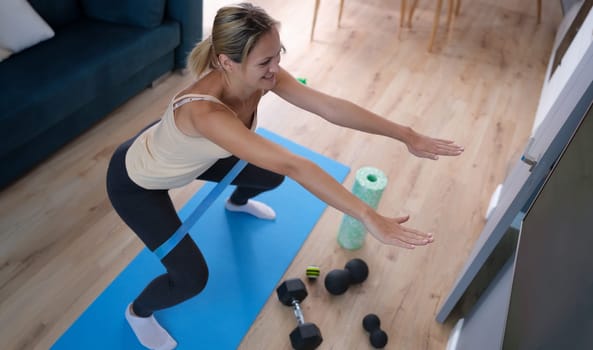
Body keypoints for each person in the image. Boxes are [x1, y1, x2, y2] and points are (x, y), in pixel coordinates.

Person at [106, 2, 464, 349]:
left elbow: (329, 107)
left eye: (279, 55)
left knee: (268, 177)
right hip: (138, 184)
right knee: (191, 278)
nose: (276, 69)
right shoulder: (205, 113)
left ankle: (236, 202)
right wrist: (367, 215)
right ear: (225, 62)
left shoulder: (261, 76)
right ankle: (138, 312)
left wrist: (406, 134)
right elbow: (295, 164)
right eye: (266, 61)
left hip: (188, 155)